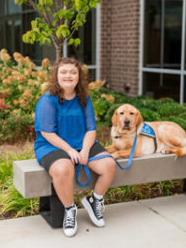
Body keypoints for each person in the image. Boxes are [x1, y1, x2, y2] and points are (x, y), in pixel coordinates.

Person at [34, 58, 116, 237]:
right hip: (51, 146)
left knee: (109, 165)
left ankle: (95, 200)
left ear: (79, 77)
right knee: (64, 168)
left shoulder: (84, 99)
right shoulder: (47, 100)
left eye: (73, 72)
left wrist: (85, 150)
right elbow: (48, 133)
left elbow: (91, 129)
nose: (68, 76)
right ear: (56, 75)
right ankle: (69, 210)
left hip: (81, 142)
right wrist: (70, 151)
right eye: (63, 72)